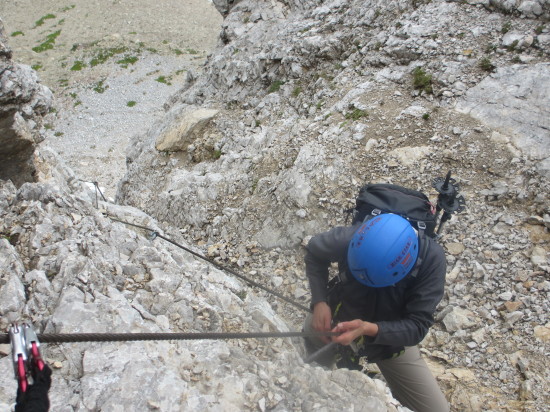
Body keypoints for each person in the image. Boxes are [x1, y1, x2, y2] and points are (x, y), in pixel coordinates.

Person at [304, 213, 449, 412]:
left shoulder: (431, 260)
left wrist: (367, 329)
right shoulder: (352, 238)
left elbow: (417, 326)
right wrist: (320, 302)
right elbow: (314, 251)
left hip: (390, 338)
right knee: (312, 370)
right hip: (339, 315)